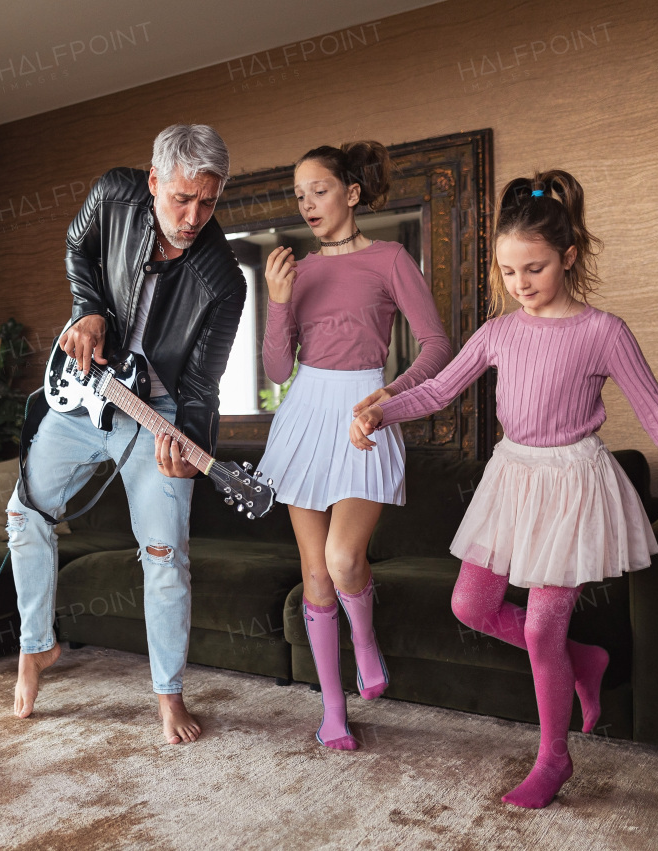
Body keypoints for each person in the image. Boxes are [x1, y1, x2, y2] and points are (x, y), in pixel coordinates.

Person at [350, 170, 658, 806]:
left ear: (568, 257)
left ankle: (554, 758)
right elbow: (436, 390)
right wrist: (382, 407)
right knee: (470, 607)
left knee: (541, 630)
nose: (521, 286)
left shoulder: (603, 332)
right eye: (509, 273)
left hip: (573, 485)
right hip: (512, 478)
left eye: (533, 269)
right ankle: (585, 661)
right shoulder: (499, 332)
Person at [6, 125, 246, 744]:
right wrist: (87, 307)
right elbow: (77, 246)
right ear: (152, 181)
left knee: (165, 554)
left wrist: (191, 447)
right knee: (24, 512)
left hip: (157, 407)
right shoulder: (114, 194)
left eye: (208, 202)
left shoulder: (225, 280)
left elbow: (201, 384)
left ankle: (169, 694)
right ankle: (37, 647)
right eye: (181, 199)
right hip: (86, 384)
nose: (193, 217)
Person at [259, 142, 453, 750]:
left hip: (365, 408)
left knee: (345, 562)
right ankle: (334, 712)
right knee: (315, 574)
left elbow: (437, 348)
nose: (307, 204)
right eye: (299, 195)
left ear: (352, 193)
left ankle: (365, 641)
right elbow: (273, 371)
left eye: (318, 189)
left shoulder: (391, 259)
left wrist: (388, 398)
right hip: (303, 414)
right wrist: (277, 302)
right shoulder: (299, 271)